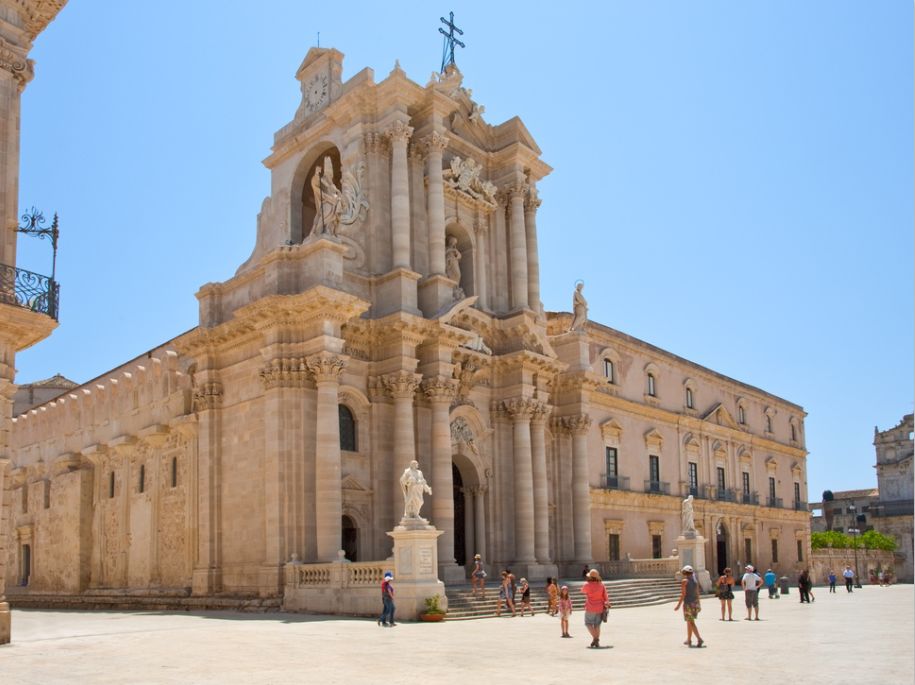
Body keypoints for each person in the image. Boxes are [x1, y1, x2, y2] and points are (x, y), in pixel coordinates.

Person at [675, 565, 705, 647]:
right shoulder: (695, 581)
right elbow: (698, 593)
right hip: (695, 603)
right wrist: (699, 603)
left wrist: (678, 605)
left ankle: (699, 639)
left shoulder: (684, 581)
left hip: (688, 603)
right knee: (689, 622)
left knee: (691, 622)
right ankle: (689, 639)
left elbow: (683, 594)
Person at [580, 568, 610, 649]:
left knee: (588, 623)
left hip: (590, 607)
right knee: (597, 625)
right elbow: (606, 596)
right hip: (600, 608)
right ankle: (596, 641)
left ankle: (596, 639)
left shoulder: (587, 585)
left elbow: (582, 591)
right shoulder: (601, 585)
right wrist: (607, 604)